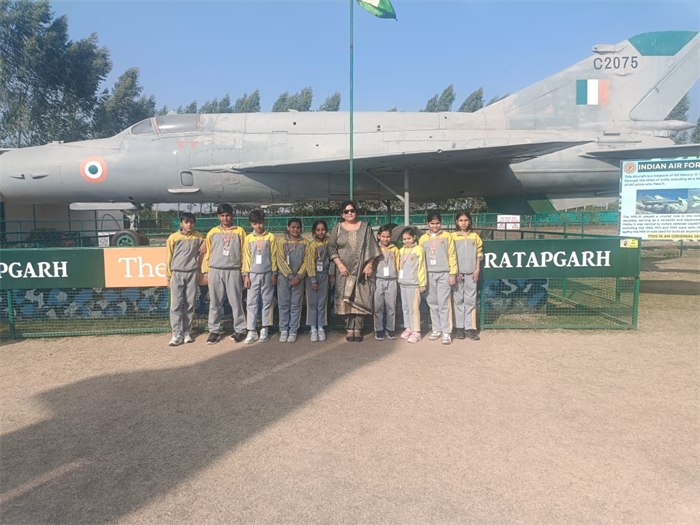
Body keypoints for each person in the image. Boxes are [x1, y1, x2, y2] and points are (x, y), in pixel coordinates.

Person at [328, 201, 381, 342]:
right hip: (344, 272)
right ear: (342, 214)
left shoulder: (365, 227)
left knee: (360, 297)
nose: (349, 213)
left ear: (356, 212)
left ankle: (358, 329)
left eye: (352, 210)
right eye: (346, 211)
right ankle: (349, 328)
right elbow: (331, 247)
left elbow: (372, 246)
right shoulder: (337, 228)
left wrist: (369, 265)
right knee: (345, 300)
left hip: (361, 271)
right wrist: (340, 265)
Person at [203, 204, 247, 344]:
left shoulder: (240, 231)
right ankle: (214, 331)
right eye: (222, 216)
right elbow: (208, 252)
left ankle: (240, 329)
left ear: (232, 215)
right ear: (218, 217)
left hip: (233, 270)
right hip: (215, 270)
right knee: (215, 302)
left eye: (227, 215)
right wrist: (206, 272)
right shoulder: (212, 232)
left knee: (236, 302)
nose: (225, 218)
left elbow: (244, 253)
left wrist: (244, 272)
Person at [165, 212, 205, 346]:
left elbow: (206, 245)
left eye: (192, 222)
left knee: (190, 304)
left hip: (192, 273)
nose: (189, 225)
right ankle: (176, 333)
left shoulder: (199, 236)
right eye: (186, 222)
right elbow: (168, 258)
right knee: (176, 305)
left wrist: (205, 242)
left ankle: (187, 331)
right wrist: (168, 277)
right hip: (176, 274)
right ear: (181, 223)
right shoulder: (173, 238)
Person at [419, 211, 457, 345]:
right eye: (432, 223)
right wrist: (421, 278)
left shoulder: (447, 236)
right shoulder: (423, 239)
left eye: (437, 223)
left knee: (444, 303)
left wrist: (452, 273)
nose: (435, 226)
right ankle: (437, 328)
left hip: (444, 273)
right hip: (429, 274)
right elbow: (420, 259)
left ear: (441, 223)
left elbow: (452, 255)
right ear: (428, 224)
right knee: (432, 302)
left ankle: (446, 331)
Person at [242, 209, 277, 344]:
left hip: (267, 274)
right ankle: (251, 330)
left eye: (260, 223)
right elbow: (246, 257)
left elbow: (273, 256)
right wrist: (246, 275)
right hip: (253, 274)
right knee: (251, 302)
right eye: (255, 223)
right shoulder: (248, 238)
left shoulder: (271, 237)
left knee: (267, 301)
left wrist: (274, 273)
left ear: (264, 222)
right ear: (251, 224)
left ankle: (264, 328)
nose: (258, 226)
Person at [451, 211, 483, 341]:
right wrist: (455, 271)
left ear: (469, 221)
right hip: (458, 273)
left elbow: (479, 254)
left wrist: (477, 269)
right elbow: (451, 255)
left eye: (465, 220)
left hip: (471, 273)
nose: (463, 223)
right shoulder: (452, 236)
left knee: (470, 300)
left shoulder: (475, 236)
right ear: (457, 222)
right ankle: (459, 328)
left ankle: (471, 328)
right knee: (458, 300)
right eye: (461, 220)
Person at [276, 218, 309, 343]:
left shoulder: (305, 243)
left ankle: (293, 330)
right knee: (283, 304)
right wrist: (290, 276)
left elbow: (307, 262)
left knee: (296, 304)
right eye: (293, 227)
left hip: (299, 280)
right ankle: (284, 329)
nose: (296, 230)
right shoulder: (281, 242)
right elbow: (280, 260)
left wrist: (299, 276)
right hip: (284, 278)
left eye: (298, 227)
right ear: (288, 227)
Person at [306, 220, 334, 342]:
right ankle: (313, 328)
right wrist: (313, 280)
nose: (321, 232)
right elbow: (310, 263)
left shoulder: (329, 242)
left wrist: (331, 275)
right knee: (312, 303)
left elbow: (333, 258)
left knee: (322, 303)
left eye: (323, 229)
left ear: (326, 230)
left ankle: (321, 327)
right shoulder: (312, 245)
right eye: (318, 230)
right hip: (313, 276)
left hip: (325, 275)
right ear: (314, 231)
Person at [398, 227, 427, 344]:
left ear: (414, 237)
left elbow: (422, 267)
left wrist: (422, 284)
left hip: (414, 284)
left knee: (414, 308)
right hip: (403, 283)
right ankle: (408, 327)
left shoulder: (419, 249)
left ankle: (416, 331)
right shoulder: (401, 250)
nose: (407, 241)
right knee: (405, 307)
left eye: (409, 238)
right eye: (404, 239)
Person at [373, 224, 400, 340]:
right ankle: (378, 329)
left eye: (388, 237)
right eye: (383, 236)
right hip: (378, 280)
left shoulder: (395, 249)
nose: (385, 239)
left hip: (392, 280)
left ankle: (390, 329)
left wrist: (398, 278)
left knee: (391, 306)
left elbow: (398, 265)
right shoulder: (375, 248)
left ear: (391, 237)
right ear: (378, 236)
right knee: (378, 306)